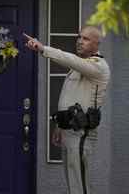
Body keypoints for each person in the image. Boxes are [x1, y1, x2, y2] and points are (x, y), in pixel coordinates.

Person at [24, 26, 110, 194]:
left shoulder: (98, 66)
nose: (79, 41)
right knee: (73, 182)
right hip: (69, 130)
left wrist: (43, 49)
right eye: (79, 37)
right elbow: (69, 97)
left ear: (96, 44)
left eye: (85, 39)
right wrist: (59, 127)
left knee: (80, 185)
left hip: (81, 132)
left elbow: (69, 59)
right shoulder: (79, 67)